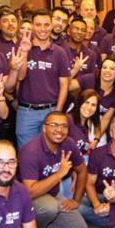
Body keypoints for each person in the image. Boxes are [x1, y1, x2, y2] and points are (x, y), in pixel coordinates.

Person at [19, 110, 89, 228]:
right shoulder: (30, 151)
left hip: (53, 194)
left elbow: (82, 170)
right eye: (54, 125)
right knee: (49, 208)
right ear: (44, 128)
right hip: (26, 200)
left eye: (64, 126)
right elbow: (29, 192)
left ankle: (39, 224)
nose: (59, 130)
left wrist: (76, 200)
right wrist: (58, 174)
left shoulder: (69, 143)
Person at [14, 9, 69, 148]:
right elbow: (20, 76)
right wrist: (25, 53)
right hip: (26, 112)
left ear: (51, 25)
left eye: (46, 25)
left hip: (51, 109)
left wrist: (57, 112)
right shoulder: (22, 47)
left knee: (51, 152)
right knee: (26, 152)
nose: (43, 29)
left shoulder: (60, 52)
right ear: (32, 26)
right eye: (38, 25)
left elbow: (64, 85)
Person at [71, 56, 115, 135]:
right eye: (104, 67)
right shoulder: (89, 79)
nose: (107, 70)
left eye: (112, 69)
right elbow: (66, 86)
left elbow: (105, 119)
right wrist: (75, 70)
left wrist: (97, 139)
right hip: (76, 119)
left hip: (95, 126)